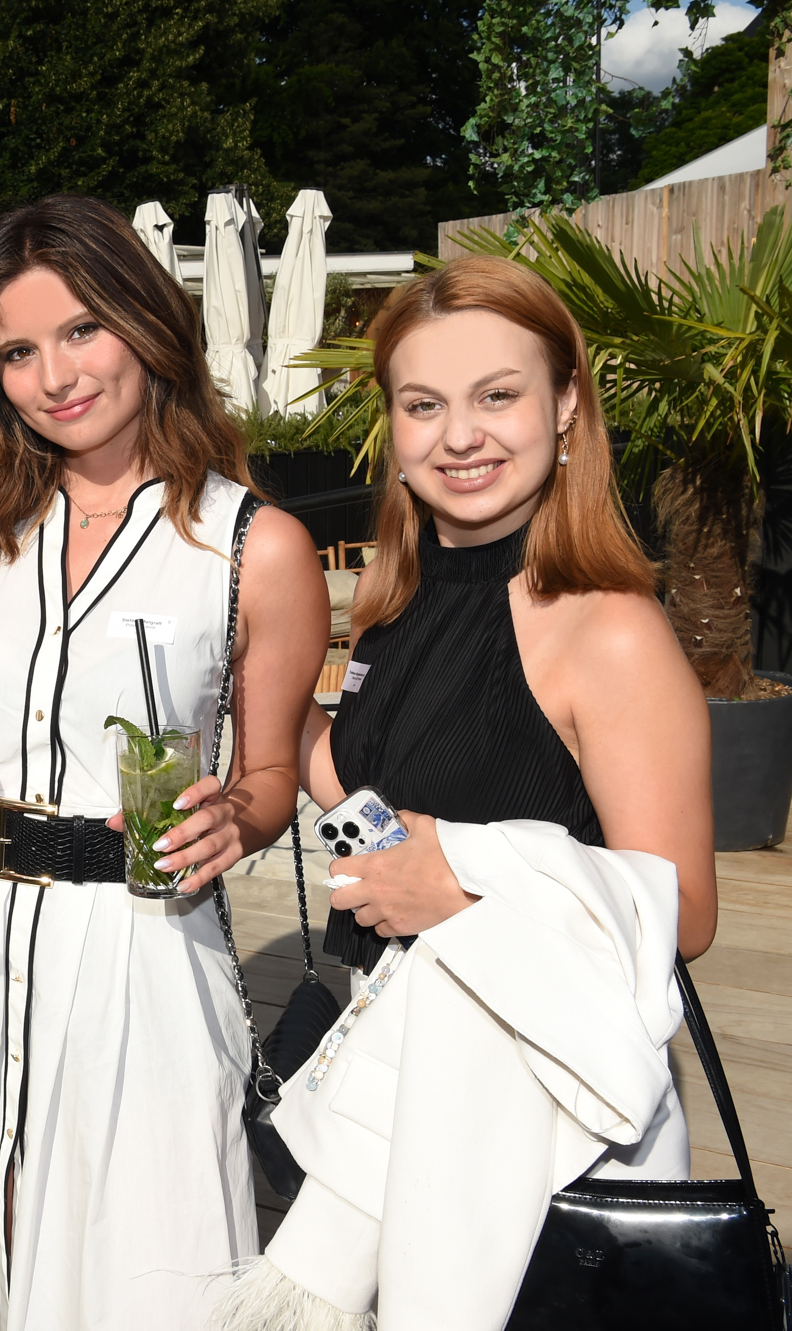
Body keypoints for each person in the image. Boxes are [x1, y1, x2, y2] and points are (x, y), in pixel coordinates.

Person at [243, 255, 714, 1327]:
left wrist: (462, 879)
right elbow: (371, 799)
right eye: (424, 405)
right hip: (398, 1091)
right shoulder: (399, 601)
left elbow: (680, 911)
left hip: (533, 1126)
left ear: (565, 404)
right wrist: (251, 673)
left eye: (496, 395)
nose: (459, 436)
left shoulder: (608, 629)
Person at [0, 195, 331, 1329]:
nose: (55, 376)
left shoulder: (253, 546)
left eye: (82, 329)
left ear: (145, 324)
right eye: (19, 350)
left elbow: (271, 774)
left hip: (141, 943)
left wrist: (234, 816)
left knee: (142, 1265)